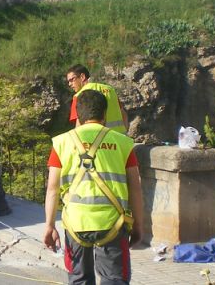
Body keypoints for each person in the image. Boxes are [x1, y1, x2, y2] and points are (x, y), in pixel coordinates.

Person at [44, 89, 144, 285]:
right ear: (104, 114)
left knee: (79, 279)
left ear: (78, 115)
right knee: (114, 279)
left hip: (75, 223)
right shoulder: (123, 143)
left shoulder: (61, 143)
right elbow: (135, 187)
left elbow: (52, 189)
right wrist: (139, 225)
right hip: (113, 223)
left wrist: (49, 225)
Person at [66, 64, 129, 134]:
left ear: (82, 77)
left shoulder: (79, 96)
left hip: (98, 141)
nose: (69, 84)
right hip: (119, 139)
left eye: (72, 80)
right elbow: (123, 114)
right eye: (68, 81)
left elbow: (79, 125)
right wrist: (124, 133)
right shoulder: (110, 89)